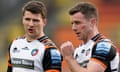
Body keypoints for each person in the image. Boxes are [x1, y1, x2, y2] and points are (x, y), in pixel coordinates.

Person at [60, 2, 119, 72]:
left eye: (77, 23)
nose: (73, 28)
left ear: (92, 22)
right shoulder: (78, 50)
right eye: (72, 23)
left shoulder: (104, 46)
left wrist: (69, 58)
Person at [7, 1, 62, 72]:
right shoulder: (14, 44)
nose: (31, 24)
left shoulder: (50, 50)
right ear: (22, 20)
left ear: (44, 22)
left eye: (35, 20)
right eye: (27, 19)